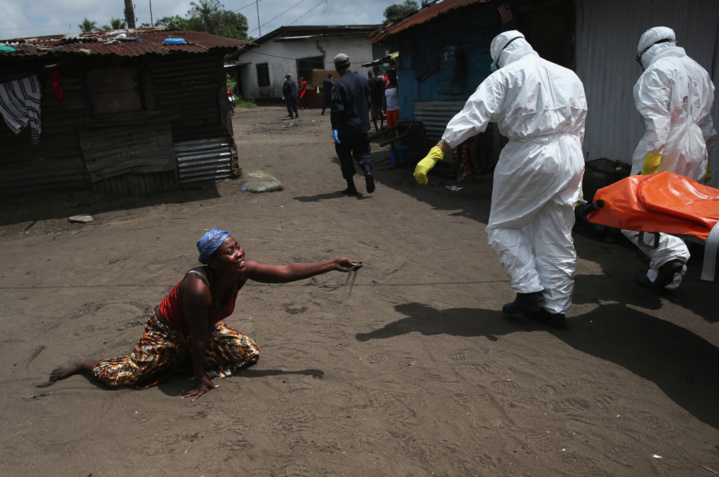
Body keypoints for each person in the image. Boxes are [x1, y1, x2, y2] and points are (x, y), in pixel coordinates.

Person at [48, 228, 363, 401]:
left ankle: (180, 363)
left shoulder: (242, 270)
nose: (239, 254)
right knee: (126, 377)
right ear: (212, 262)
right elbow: (198, 338)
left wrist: (331, 264)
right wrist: (200, 380)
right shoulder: (198, 287)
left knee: (248, 351)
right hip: (167, 332)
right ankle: (85, 363)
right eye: (230, 252)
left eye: (238, 247)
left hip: (200, 331)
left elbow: (285, 271)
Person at [413, 31, 587, 328]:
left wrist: (438, 150)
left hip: (528, 155)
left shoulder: (505, 77)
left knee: (502, 227)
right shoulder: (568, 75)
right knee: (557, 234)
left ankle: (529, 289)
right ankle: (556, 307)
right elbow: (580, 122)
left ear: (499, 56)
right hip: (570, 154)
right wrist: (576, 176)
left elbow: (473, 115)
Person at [621, 26, 717, 292]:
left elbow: (658, 124)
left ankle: (669, 254)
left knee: (634, 208)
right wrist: (705, 163)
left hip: (666, 147)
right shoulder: (699, 70)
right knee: (676, 212)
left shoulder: (657, 71)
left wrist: (651, 161)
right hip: (696, 147)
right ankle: (667, 277)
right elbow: (709, 127)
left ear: (645, 51)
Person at [330, 53, 376, 195]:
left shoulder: (338, 85)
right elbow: (368, 103)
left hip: (345, 129)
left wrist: (335, 129)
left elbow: (337, 110)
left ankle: (351, 186)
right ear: (349, 64)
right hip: (361, 126)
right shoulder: (362, 80)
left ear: (337, 68)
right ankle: (367, 171)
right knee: (363, 152)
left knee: (344, 156)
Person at [384, 69, 399, 137]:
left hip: (396, 109)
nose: (390, 77)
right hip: (389, 110)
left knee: (397, 129)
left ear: (394, 75)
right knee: (390, 130)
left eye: (391, 75)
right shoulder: (387, 84)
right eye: (388, 76)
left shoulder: (398, 84)